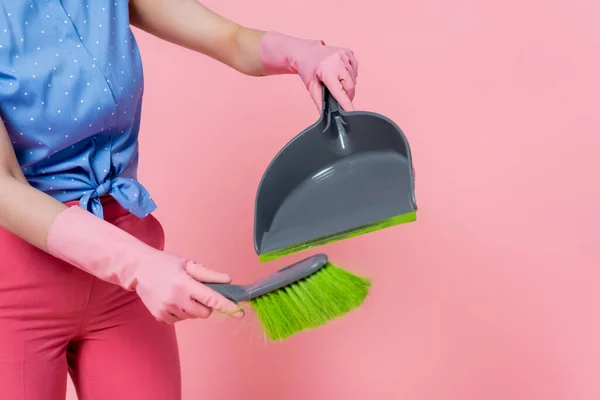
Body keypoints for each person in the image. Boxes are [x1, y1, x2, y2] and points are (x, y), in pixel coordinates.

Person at [0, 0, 358, 399]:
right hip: (17, 281)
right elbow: (4, 184)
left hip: (125, 269)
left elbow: (230, 38)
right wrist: (136, 265)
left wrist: (302, 53)